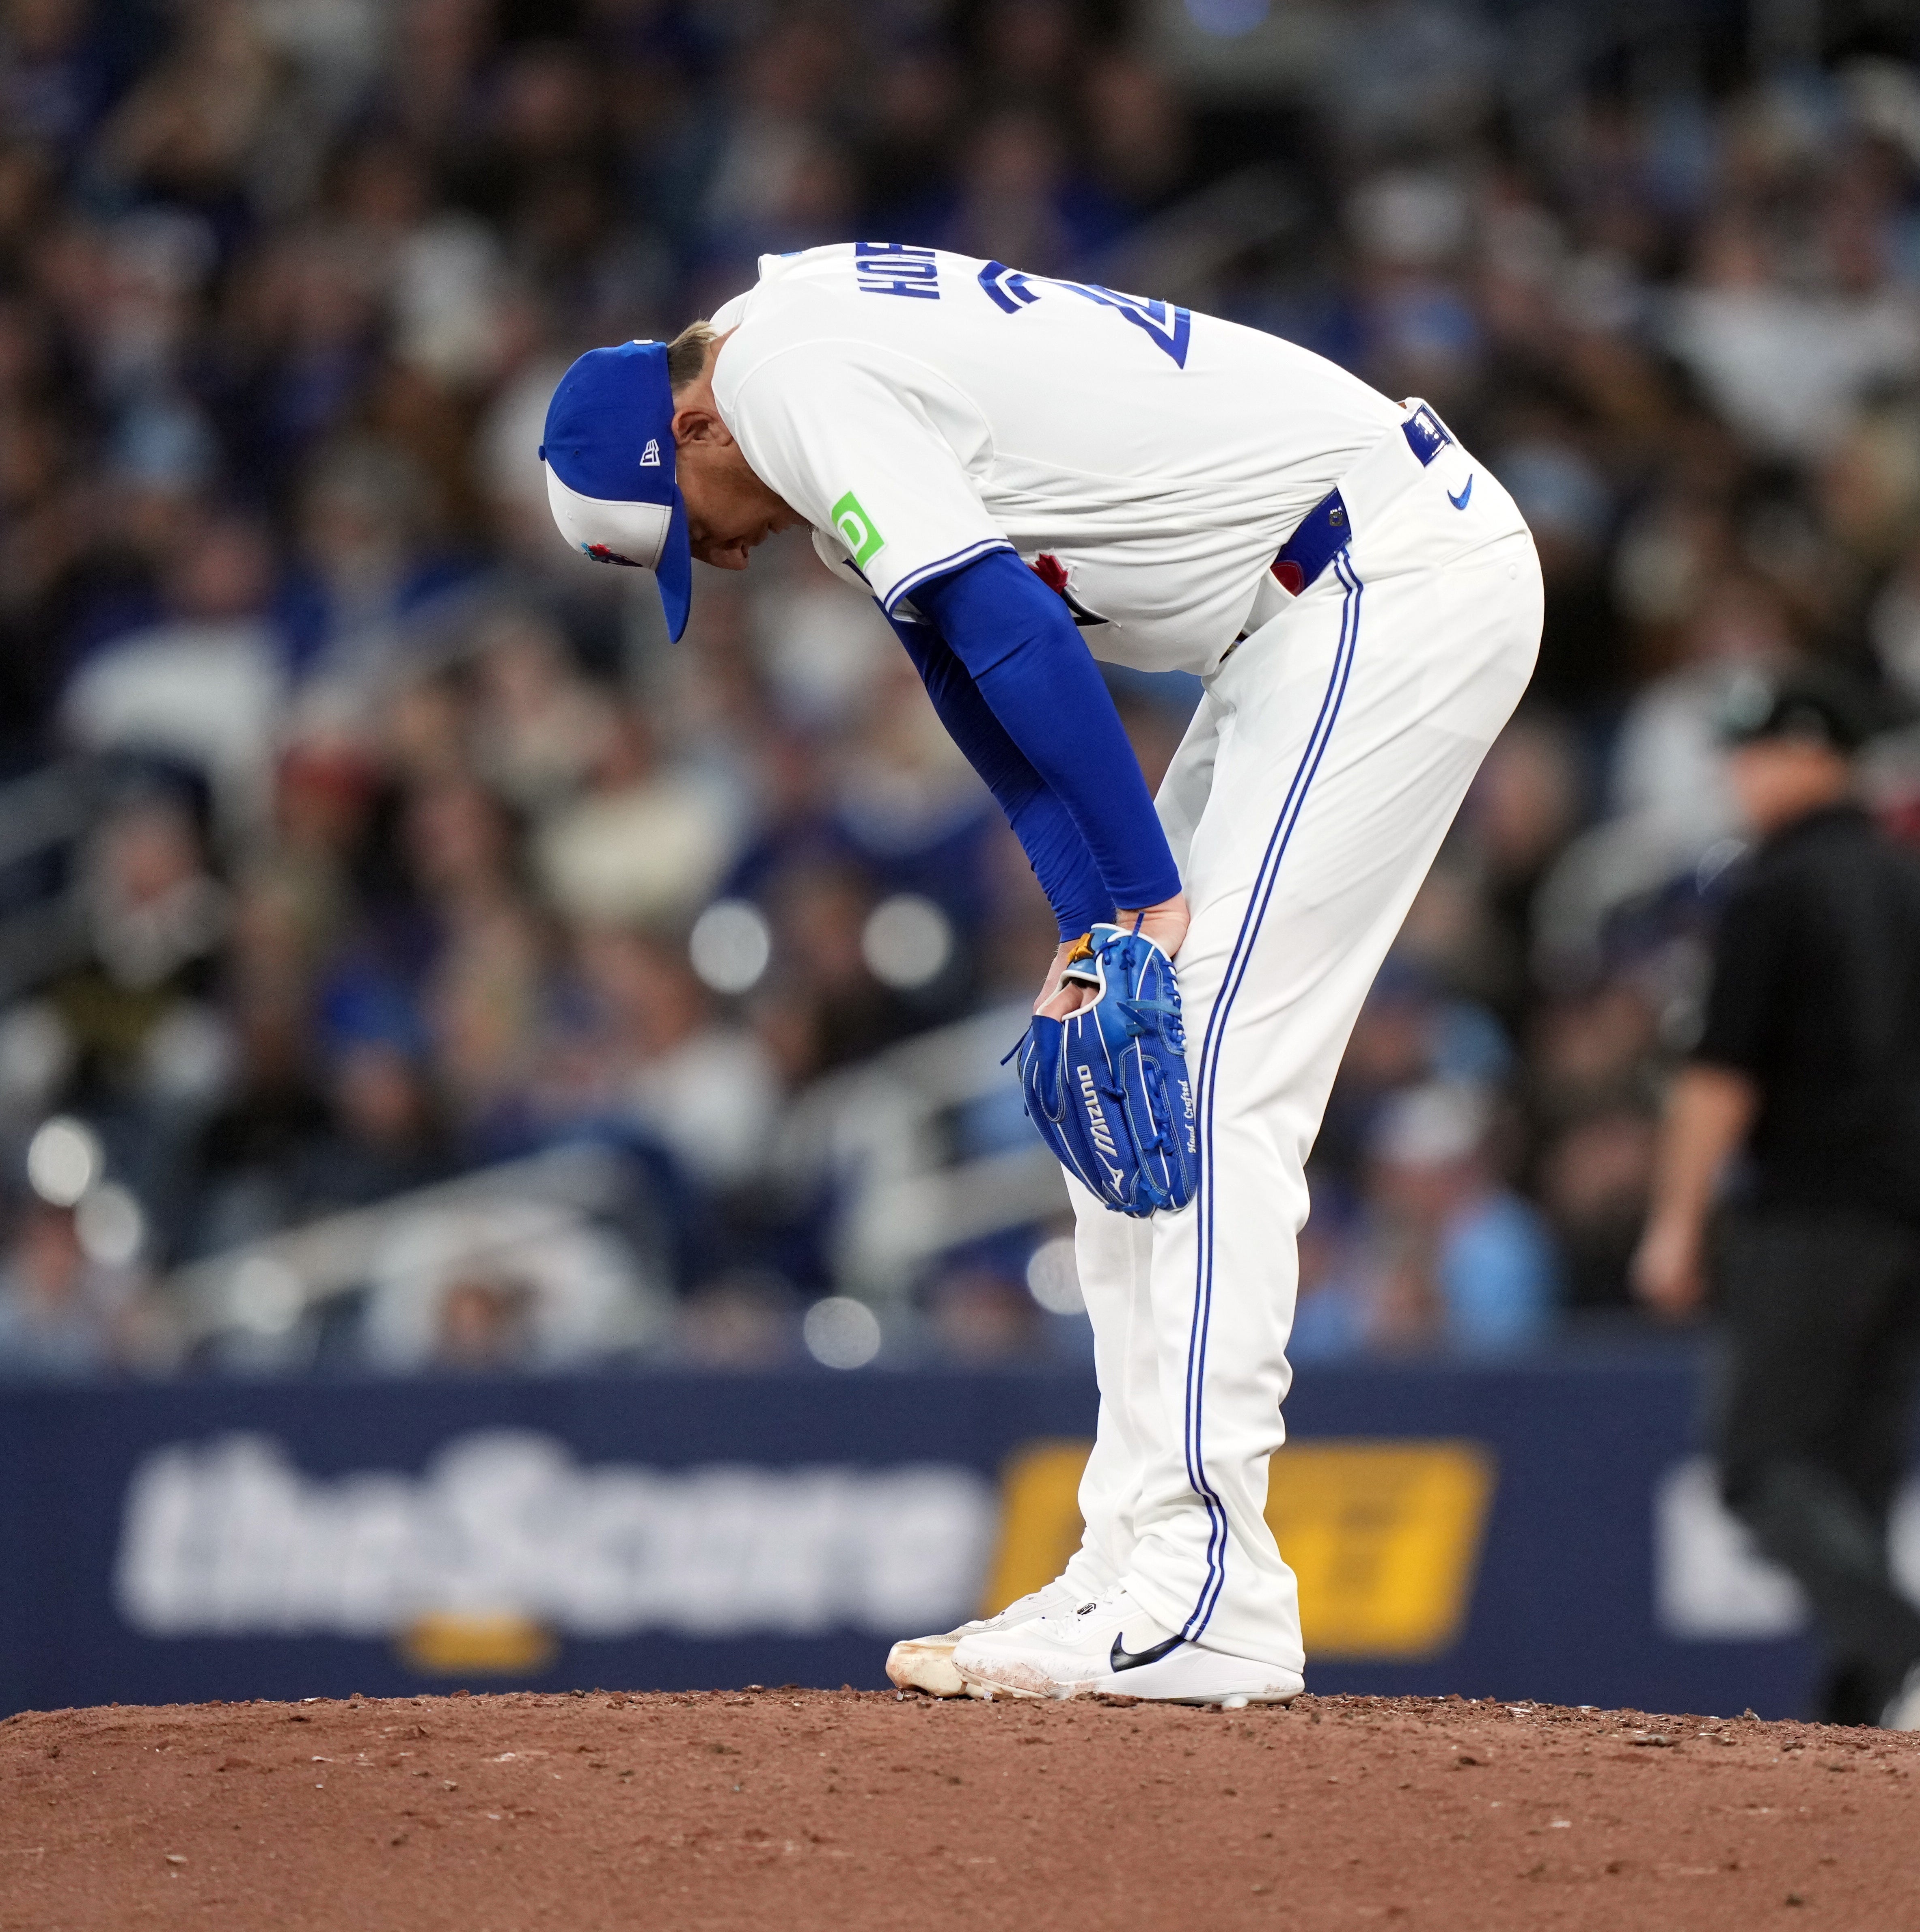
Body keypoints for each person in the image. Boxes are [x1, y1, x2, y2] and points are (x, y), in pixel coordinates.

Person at [537, 242, 1542, 1706]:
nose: (726, 562)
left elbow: (1010, 621)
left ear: (689, 427)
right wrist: (1093, 921)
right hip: (1298, 621)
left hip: (1384, 576)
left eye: (694, 533)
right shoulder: (798, 379)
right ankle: (1133, 1560)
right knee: (1114, 1074)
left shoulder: (781, 376)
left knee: (1201, 1074)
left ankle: (1210, 1585)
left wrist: (1147, 898)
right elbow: (967, 676)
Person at [1632, 663, 1920, 1734]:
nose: (1738, 775)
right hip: (1918, 1214)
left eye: (1755, 753)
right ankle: (1870, 1706)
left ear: (1814, 754)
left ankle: (1915, 1648)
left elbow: (1721, 1076)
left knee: (1759, 1464)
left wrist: (1675, 1224)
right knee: (1854, 1480)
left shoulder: (1773, 891)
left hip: (1811, 1209)